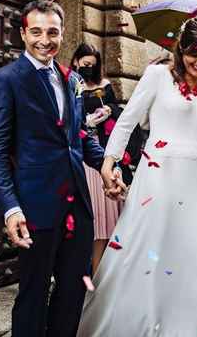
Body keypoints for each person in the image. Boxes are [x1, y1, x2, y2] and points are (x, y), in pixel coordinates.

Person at [77, 16, 197, 336]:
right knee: (150, 251)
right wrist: (109, 161)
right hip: (160, 178)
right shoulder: (156, 76)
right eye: (195, 54)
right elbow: (126, 123)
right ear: (182, 47)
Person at [0, 0, 110, 336]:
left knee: (72, 291)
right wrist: (10, 208)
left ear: (62, 34)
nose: (44, 40)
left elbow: (78, 134)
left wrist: (106, 165)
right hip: (35, 206)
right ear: (23, 33)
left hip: (78, 205)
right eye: (36, 31)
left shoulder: (71, 80)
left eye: (52, 32)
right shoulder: (5, 80)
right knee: (33, 294)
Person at [70, 43, 125, 275]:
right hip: (82, 157)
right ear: (76, 62)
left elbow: (117, 109)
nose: (89, 69)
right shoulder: (72, 84)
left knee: (107, 218)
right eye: (85, 65)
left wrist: (109, 111)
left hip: (101, 152)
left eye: (93, 65)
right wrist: (87, 121)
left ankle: (103, 272)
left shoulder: (104, 86)